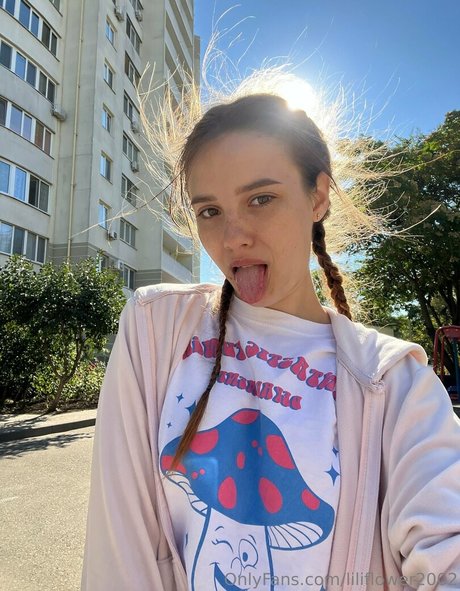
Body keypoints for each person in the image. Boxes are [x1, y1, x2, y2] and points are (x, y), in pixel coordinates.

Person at [81, 73, 460, 591]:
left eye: (261, 199)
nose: (233, 237)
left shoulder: (392, 381)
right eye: (210, 211)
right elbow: (119, 550)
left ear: (318, 196)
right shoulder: (157, 327)